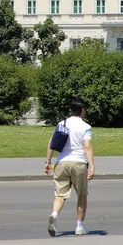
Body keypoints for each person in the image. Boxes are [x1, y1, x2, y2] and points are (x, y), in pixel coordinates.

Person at [45, 97, 95, 237]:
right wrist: (91, 165)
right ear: (83, 111)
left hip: (61, 163)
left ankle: (54, 214)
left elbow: (52, 143)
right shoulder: (86, 127)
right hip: (78, 163)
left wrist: (48, 162)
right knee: (82, 195)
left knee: (60, 195)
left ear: (71, 110)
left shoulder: (62, 123)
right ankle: (79, 226)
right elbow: (87, 146)